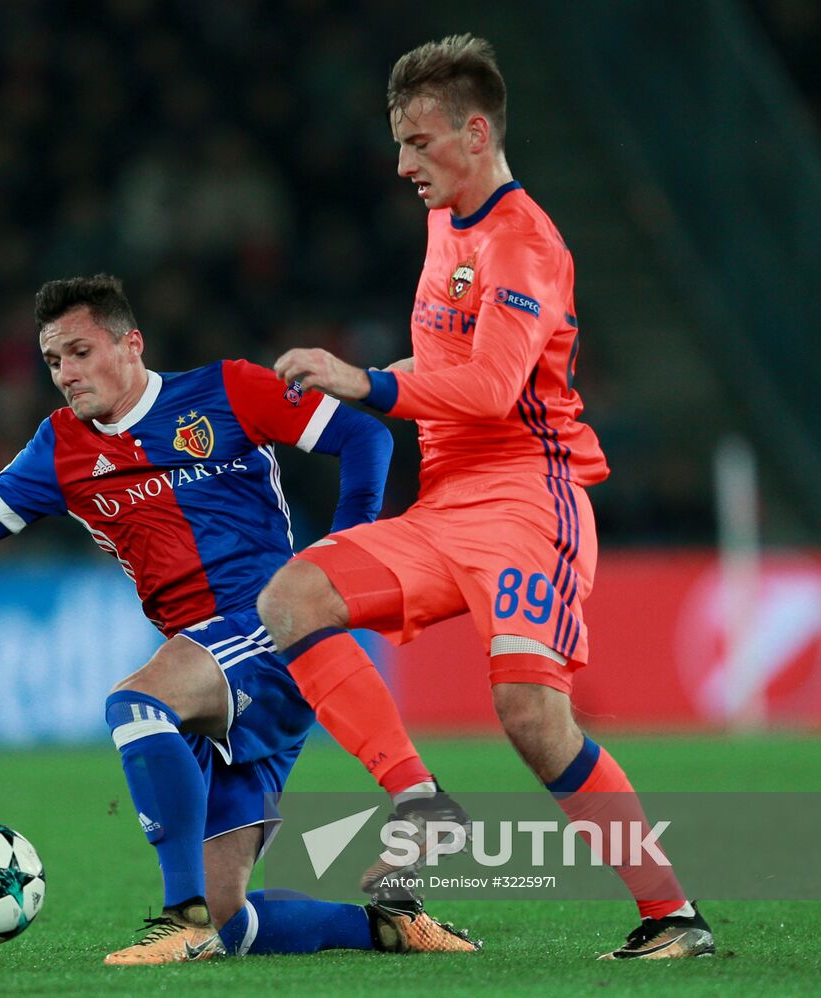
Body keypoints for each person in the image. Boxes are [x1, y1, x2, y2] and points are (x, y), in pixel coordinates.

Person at [0, 274, 477, 964]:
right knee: (230, 918)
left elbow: (364, 439)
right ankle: (387, 925)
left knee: (136, 706)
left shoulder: (228, 390)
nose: (65, 373)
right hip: (219, 668)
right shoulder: (59, 449)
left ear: (131, 345)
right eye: (54, 360)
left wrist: (342, 556)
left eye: (80, 352)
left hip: (272, 628)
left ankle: (177, 917)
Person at [257, 36, 715, 960]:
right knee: (290, 598)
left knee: (532, 718)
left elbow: (491, 389)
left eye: (420, 143)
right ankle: (419, 799)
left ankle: (674, 917)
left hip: (528, 501)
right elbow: (442, 366)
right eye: (399, 143)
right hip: (447, 502)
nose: (402, 164)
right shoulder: (447, 222)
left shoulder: (526, 242)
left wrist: (363, 381)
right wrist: (371, 376)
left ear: (475, 133)